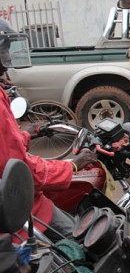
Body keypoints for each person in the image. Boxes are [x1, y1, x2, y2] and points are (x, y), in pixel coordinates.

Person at [0, 19, 97, 241]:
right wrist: (72, 165)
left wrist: (26, 134)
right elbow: (21, 172)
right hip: (21, 210)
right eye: (3, 49)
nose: (7, 59)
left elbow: (5, 148)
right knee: (81, 242)